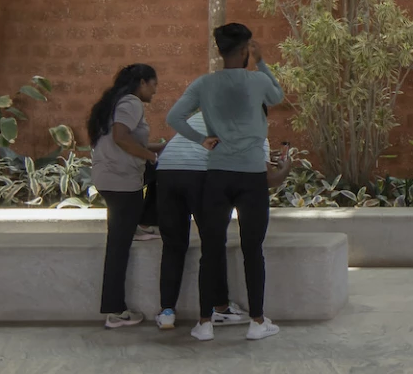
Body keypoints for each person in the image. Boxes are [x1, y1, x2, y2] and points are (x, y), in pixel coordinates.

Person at [164, 20, 287, 342]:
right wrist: (262, 61)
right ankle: (257, 322)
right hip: (252, 176)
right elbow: (277, 96)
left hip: (217, 174)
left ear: (219, 50)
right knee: (252, 249)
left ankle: (205, 323)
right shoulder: (257, 80)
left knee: (211, 248)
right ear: (246, 49)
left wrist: (202, 139)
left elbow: (173, 117)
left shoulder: (204, 84)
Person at [87, 62, 162, 329]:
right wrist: (151, 156)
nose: (155, 91)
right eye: (153, 85)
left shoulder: (115, 101)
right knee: (118, 247)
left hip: (110, 177)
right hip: (121, 181)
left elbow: (124, 140)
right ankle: (115, 311)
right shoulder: (132, 102)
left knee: (161, 172)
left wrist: (159, 149)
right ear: (142, 83)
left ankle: (141, 223)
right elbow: (120, 137)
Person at [147, 103, 216, 334]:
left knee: (173, 245)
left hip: (167, 171)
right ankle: (215, 309)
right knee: (212, 242)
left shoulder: (196, 118)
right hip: (198, 173)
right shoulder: (230, 119)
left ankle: (167, 312)